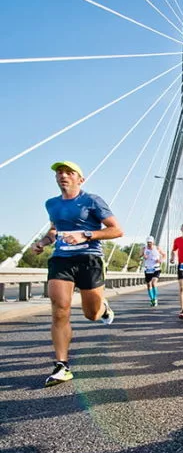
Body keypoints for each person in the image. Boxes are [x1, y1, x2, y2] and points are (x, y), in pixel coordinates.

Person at [32, 161, 123, 387]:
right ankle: (61, 366)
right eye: (59, 173)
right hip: (61, 259)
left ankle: (103, 308)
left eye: (69, 173)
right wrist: (43, 242)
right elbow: (54, 229)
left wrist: (86, 234)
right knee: (59, 309)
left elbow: (116, 230)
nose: (63, 176)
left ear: (80, 179)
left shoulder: (92, 200)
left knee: (91, 314)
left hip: (89, 259)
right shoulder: (51, 204)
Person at [141, 235, 165, 307]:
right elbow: (140, 255)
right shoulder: (144, 248)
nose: (149, 244)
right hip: (148, 269)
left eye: (150, 242)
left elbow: (164, 255)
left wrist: (160, 260)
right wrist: (143, 256)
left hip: (156, 268)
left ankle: (155, 299)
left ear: (153, 242)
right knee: (149, 285)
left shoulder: (157, 248)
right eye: (148, 242)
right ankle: (152, 299)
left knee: (154, 283)